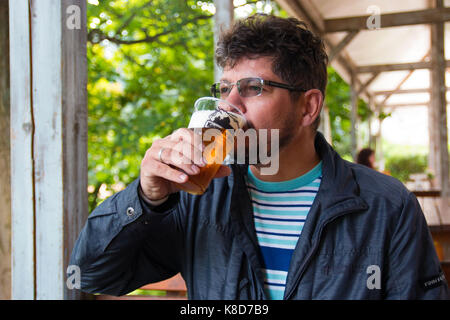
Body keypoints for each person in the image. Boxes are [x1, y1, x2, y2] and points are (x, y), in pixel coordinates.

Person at [70, 14, 449, 299]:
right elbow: (92, 275)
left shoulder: (386, 205)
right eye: (224, 89)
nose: (228, 106)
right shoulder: (197, 198)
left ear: (308, 107)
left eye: (253, 88)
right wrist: (146, 197)